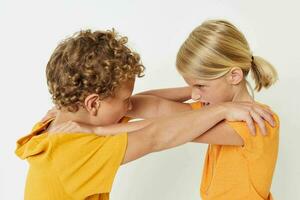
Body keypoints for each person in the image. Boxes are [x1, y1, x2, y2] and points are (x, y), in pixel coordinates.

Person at [16, 28, 275, 200]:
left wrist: (196, 89)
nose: (130, 106)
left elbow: (149, 107)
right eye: (125, 99)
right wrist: (218, 102)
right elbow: (154, 135)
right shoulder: (76, 147)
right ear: (94, 103)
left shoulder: (63, 120)